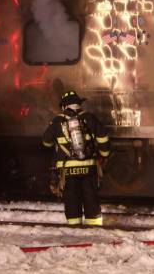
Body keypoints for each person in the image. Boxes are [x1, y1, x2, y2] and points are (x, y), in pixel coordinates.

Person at [42, 90, 110, 226]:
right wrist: (104, 155)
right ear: (79, 104)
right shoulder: (90, 118)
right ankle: (94, 225)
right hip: (89, 167)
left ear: (64, 106)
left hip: (67, 169)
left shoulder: (57, 121)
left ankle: (74, 226)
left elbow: (46, 142)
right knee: (91, 197)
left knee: (71, 198)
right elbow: (103, 139)